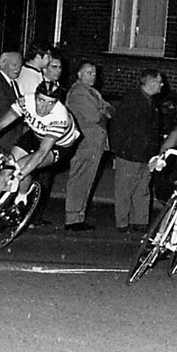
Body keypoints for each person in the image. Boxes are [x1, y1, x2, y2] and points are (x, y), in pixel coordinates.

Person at [0, 80, 80, 214]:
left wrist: (19, 176)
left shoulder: (60, 117)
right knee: (6, 169)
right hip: (35, 135)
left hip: (57, 146)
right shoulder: (26, 102)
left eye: (50, 103)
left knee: (20, 167)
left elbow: (42, 152)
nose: (44, 107)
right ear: (35, 97)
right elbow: (0, 125)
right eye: (41, 100)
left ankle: (22, 196)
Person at [109, 69, 163, 234]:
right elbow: (118, 127)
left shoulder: (150, 101)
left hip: (145, 155)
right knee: (124, 190)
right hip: (130, 154)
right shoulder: (132, 100)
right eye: (159, 81)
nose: (162, 84)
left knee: (142, 189)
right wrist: (117, 151)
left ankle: (140, 222)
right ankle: (123, 223)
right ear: (151, 82)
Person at [64, 62, 114, 231]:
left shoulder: (93, 92)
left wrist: (103, 110)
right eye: (88, 72)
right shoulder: (78, 92)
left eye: (94, 72)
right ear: (79, 74)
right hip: (85, 142)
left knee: (87, 179)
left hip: (95, 143)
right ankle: (73, 217)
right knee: (80, 178)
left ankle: (78, 216)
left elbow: (110, 109)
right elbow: (94, 116)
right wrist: (102, 110)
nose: (93, 75)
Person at [31, 50, 66, 227]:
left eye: (60, 67)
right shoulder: (39, 88)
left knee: (45, 178)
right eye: (53, 66)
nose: (58, 70)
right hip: (37, 137)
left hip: (53, 140)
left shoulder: (59, 88)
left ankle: (36, 214)